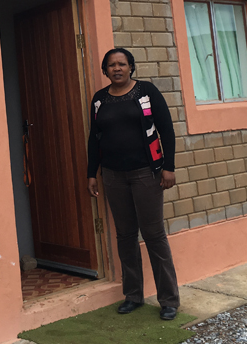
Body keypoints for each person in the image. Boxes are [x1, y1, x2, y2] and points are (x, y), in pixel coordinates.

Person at [87, 47, 180, 320]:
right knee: (125, 236)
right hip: (113, 176)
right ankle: (133, 295)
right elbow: (95, 139)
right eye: (112, 65)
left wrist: (168, 167)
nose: (117, 69)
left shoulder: (147, 92)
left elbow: (167, 129)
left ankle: (169, 300)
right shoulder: (99, 100)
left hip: (146, 173)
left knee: (154, 235)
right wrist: (92, 172)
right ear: (105, 71)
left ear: (131, 67)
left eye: (122, 64)